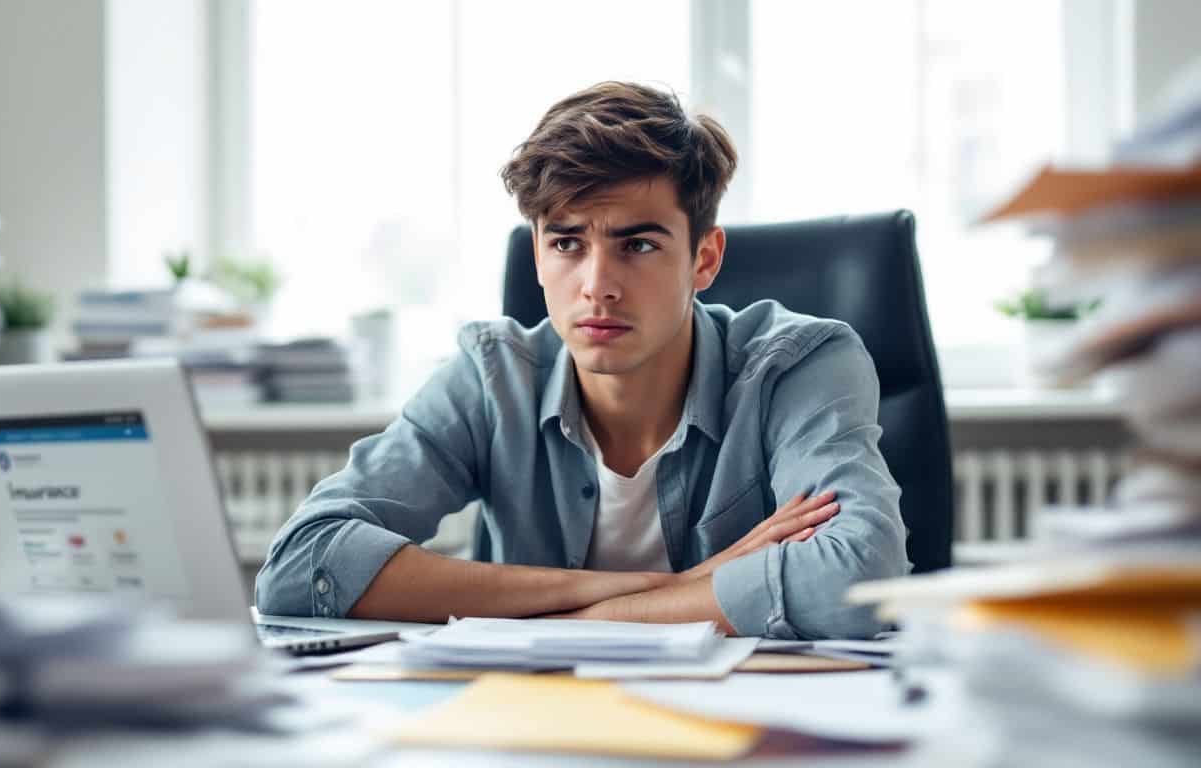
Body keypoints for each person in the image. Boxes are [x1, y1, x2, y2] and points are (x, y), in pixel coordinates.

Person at [256, 81, 908, 639]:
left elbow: (860, 575)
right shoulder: (491, 381)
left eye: (639, 245)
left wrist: (593, 620)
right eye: (567, 242)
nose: (598, 284)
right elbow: (298, 565)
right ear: (538, 255)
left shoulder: (798, 365)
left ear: (703, 258)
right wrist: (662, 587)